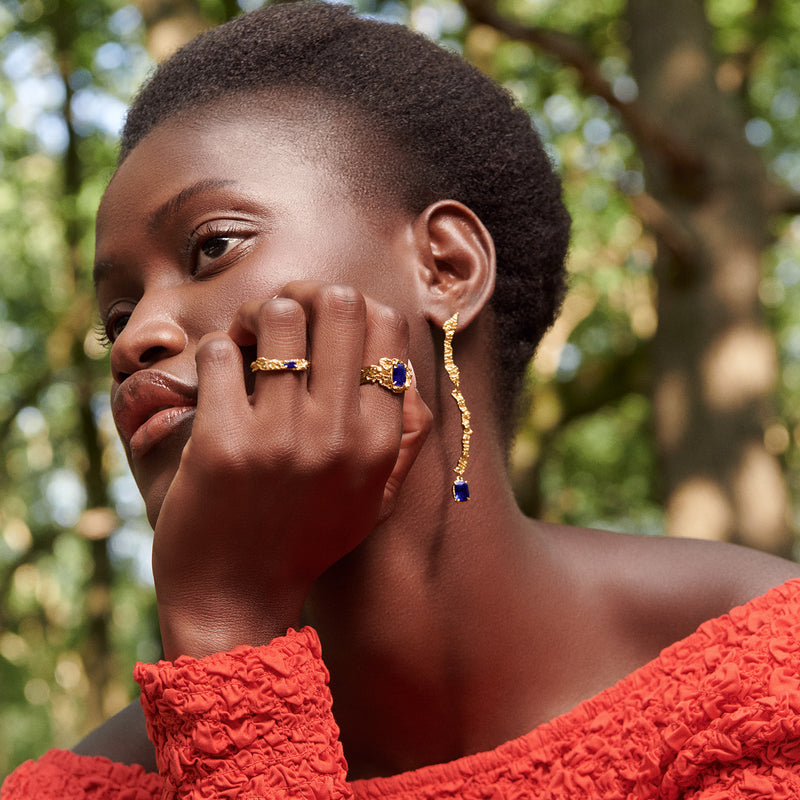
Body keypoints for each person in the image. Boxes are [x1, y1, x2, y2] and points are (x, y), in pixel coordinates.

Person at [4, 2, 800, 797]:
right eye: (115, 319)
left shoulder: (761, 678)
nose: (139, 336)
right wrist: (225, 635)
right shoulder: (83, 788)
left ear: (445, 269)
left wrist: (229, 634)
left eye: (213, 247)